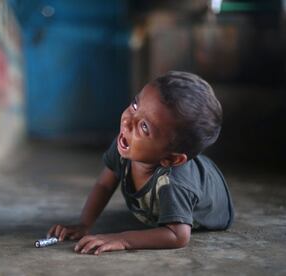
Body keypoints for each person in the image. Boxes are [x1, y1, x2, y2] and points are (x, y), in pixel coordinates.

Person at [47, 71, 234, 255]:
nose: (128, 122)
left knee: (173, 210)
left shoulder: (175, 184)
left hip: (211, 207)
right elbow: (104, 184)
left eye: (144, 127)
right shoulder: (126, 144)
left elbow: (178, 236)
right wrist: (84, 224)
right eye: (135, 105)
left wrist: (122, 239)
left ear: (170, 159)